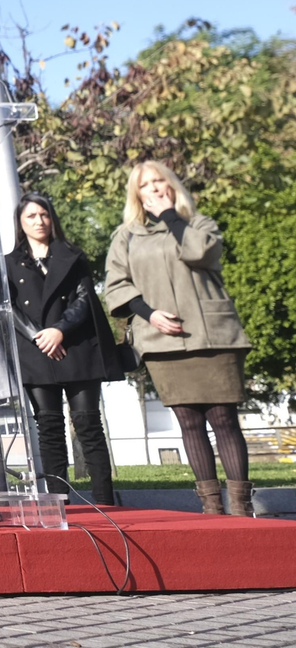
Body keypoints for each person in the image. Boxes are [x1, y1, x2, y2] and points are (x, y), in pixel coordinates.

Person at [104, 161, 252, 516]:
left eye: (159, 181)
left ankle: (242, 507)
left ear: (172, 185)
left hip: (213, 337)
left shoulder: (198, 224)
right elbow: (117, 285)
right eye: (145, 185)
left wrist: (170, 216)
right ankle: (212, 508)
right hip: (162, 341)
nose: (154, 188)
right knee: (189, 422)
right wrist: (149, 313)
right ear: (136, 194)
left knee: (223, 418)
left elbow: (201, 252)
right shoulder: (126, 235)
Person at [6, 192, 122, 506]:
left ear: (52, 218)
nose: (39, 221)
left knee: (88, 424)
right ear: (20, 222)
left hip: (76, 347)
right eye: (31, 216)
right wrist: (39, 336)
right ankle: (58, 503)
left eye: (44, 215)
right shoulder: (9, 263)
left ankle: (105, 500)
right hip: (36, 352)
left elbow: (85, 298)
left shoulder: (72, 255)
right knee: (49, 427)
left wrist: (59, 330)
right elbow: (9, 307)